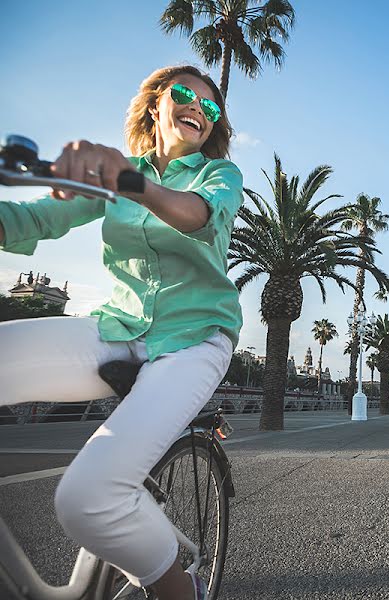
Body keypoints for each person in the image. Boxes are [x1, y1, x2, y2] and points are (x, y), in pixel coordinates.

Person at [0, 65, 243, 600]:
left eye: (211, 106)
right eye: (184, 95)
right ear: (155, 105)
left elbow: (196, 216)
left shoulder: (219, 177)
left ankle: (183, 590)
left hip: (195, 340)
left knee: (87, 499)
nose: (198, 108)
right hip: (121, 324)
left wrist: (130, 181)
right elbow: (37, 220)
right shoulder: (119, 175)